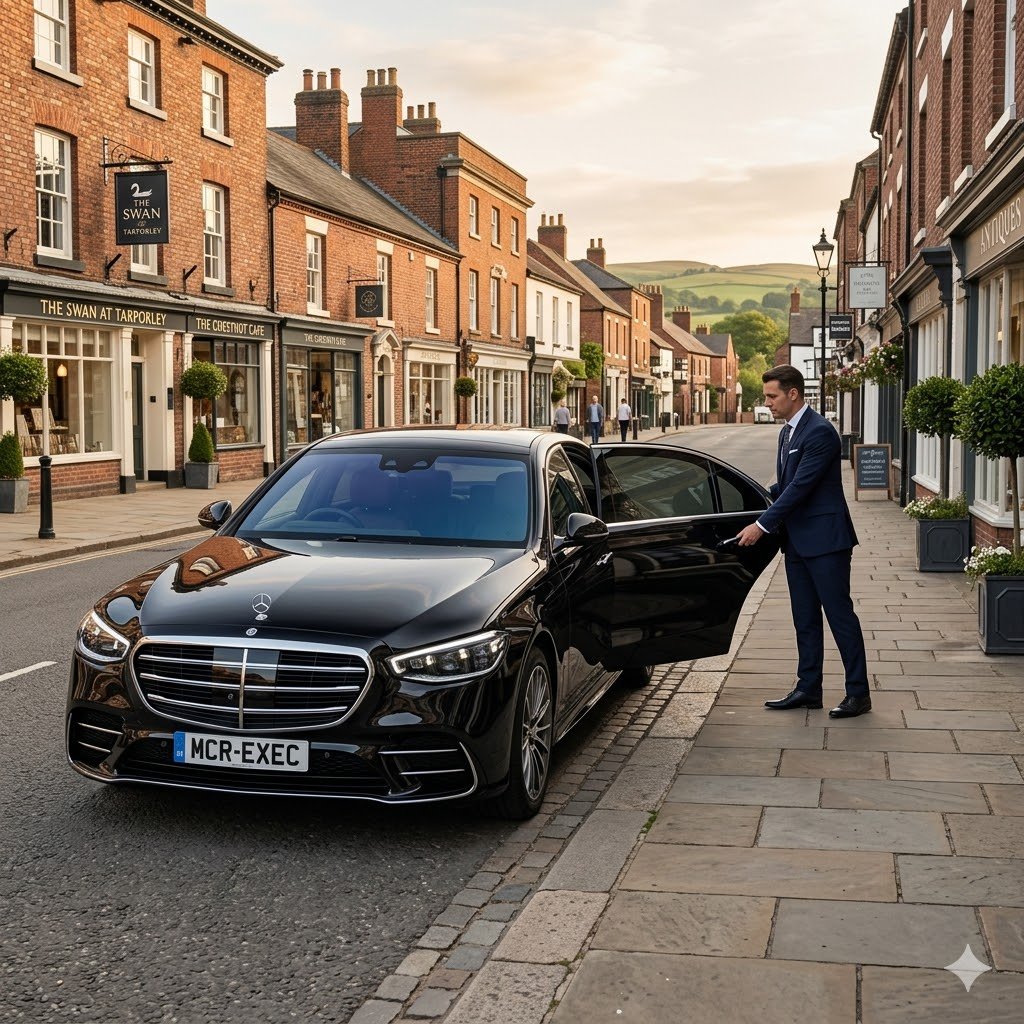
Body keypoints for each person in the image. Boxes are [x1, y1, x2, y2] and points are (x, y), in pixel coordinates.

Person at [734, 364, 870, 719]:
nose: (767, 403)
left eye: (771, 396)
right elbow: (784, 485)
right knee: (804, 619)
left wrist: (762, 525)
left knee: (840, 617)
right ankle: (808, 688)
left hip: (826, 541)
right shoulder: (787, 433)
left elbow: (801, 487)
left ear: (793, 393)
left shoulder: (821, 432)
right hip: (796, 543)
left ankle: (858, 693)